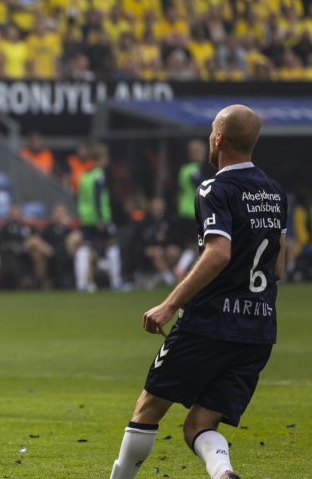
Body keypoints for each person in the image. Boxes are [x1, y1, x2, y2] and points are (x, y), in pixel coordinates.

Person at [108, 105, 286, 479]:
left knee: (148, 409)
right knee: (199, 425)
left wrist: (169, 304)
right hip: (258, 329)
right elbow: (279, 268)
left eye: (211, 130)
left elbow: (218, 253)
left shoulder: (214, 188)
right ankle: (223, 473)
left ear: (219, 138)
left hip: (209, 323)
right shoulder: (275, 192)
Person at [75, 144, 123, 291]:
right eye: (106, 157)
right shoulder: (99, 175)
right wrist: (101, 218)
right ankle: (116, 282)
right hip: (99, 217)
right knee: (112, 245)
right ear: (101, 158)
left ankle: (82, 283)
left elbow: (79, 198)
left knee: (85, 248)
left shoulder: (84, 176)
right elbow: (97, 198)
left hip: (86, 217)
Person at [176, 140, 208, 279]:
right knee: (199, 244)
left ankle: (182, 268)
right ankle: (186, 270)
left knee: (194, 244)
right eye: (201, 153)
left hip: (183, 210)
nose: (204, 156)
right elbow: (203, 189)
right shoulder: (195, 170)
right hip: (193, 211)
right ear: (194, 154)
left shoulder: (183, 169)